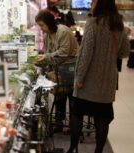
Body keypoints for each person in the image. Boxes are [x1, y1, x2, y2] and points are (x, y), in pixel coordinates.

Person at [67, 0, 130, 153]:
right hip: (108, 80)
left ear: (99, 4)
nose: (91, 5)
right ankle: (98, 151)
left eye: (94, 2)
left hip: (88, 79)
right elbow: (124, 53)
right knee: (102, 117)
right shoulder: (119, 25)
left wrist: (79, 78)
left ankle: (74, 148)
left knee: (77, 114)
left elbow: (86, 53)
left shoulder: (93, 23)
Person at [35, 10, 79, 132]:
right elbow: (48, 54)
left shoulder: (63, 31)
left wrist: (46, 57)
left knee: (72, 97)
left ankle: (73, 125)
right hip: (59, 71)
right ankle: (59, 122)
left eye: (42, 25)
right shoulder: (48, 35)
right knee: (59, 96)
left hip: (71, 69)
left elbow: (63, 53)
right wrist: (39, 61)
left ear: (49, 22)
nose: (41, 29)